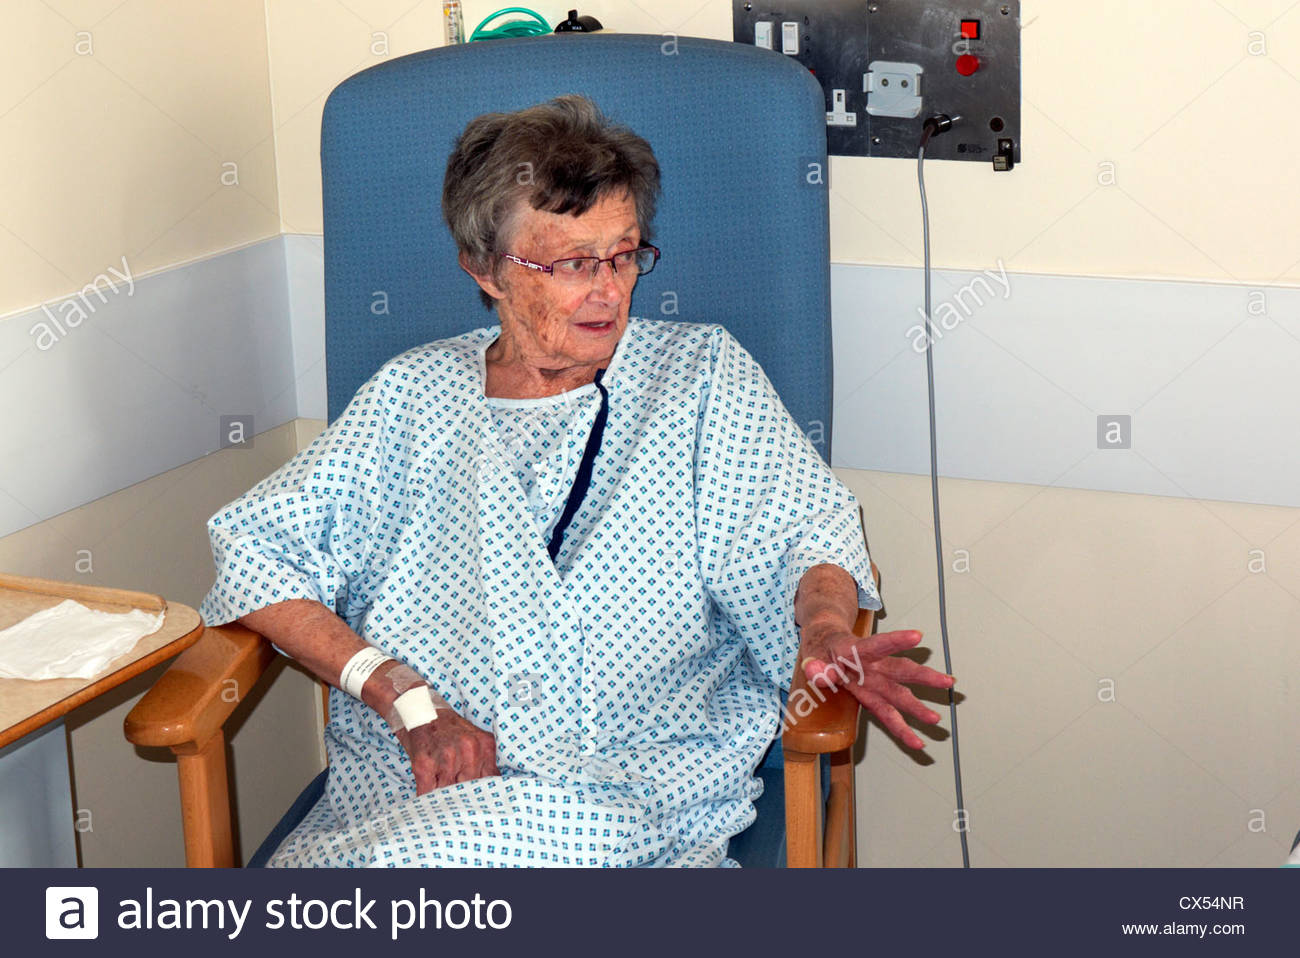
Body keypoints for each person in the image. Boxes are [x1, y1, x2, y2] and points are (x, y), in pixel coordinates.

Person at [197, 94, 955, 867]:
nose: (609, 289)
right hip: (423, 788)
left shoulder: (699, 376)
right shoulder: (412, 397)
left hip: (626, 793)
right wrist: (400, 693)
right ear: (485, 268)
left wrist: (824, 628)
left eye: (625, 254)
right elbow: (255, 550)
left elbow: (802, 530)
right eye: (571, 263)